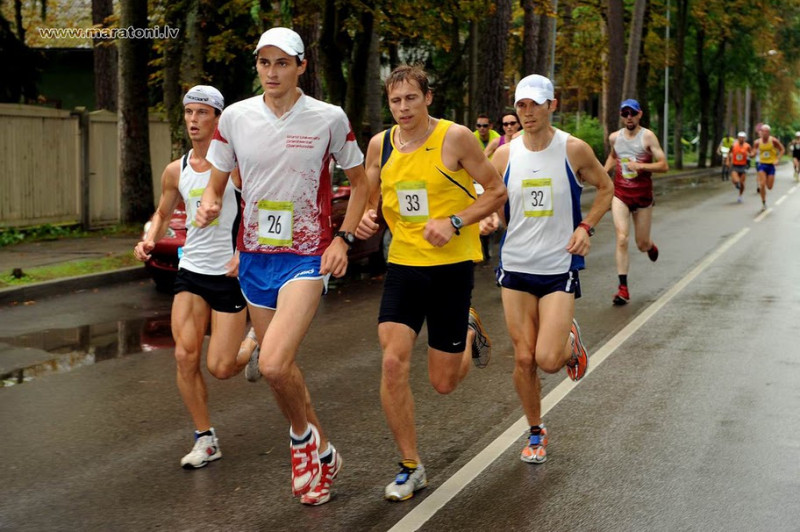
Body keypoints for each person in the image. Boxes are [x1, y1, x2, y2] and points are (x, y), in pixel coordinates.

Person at [196, 27, 369, 506]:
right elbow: (218, 180)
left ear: (300, 66)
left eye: (281, 63)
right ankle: (323, 449)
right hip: (254, 257)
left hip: (306, 255)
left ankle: (300, 444)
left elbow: (360, 180)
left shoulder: (327, 117)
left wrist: (345, 237)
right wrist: (210, 203)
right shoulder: (235, 116)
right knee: (282, 370)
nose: (271, 72)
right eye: (263, 63)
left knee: (271, 362)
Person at [357, 65, 506, 502]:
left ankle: (468, 328)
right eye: (395, 101)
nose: (403, 108)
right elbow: (375, 202)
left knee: (443, 382)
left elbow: (496, 191)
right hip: (403, 264)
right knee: (391, 362)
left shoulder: (456, 138)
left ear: (428, 98)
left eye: (410, 99)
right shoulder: (380, 145)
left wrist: (456, 220)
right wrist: (368, 219)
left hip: (450, 267)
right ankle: (410, 466)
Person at [488, 74, 612, 464]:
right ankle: (536, 431)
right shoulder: (504, 155)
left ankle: (568, 344)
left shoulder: (572, 149)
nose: (527, 113)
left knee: (548, 360)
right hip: (517, 267)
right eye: (521, 105)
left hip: (559, 267)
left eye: (535, 105)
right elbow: (488, 198)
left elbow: (606, 189)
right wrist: (488, 218)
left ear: (551, 105)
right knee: (523, 358)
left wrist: (585, 226)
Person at [134, 85, 258, 469]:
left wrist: (244, 253)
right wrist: (149, 239)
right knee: (185, 355)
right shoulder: (177, 170)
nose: (194, 120)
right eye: (189, 113)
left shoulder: (237, 169)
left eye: (202, 113)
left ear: (218, 120)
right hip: (191, 272)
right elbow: (162, 211)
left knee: (221, 367)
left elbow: (258, 212)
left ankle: (254, 343)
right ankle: (205, 438)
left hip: (228, 276)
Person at [604, 99, 668, 306]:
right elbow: (614, 157)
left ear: (640, 114)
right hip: (620, 194)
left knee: (641, 244)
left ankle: (649, 246)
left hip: (642, 197)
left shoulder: (647, 137)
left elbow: (664, 165)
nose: (629, 117)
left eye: (632, 113)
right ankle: (623, 288)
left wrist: (642, 166)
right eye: (625, 114)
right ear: (621, 116)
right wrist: (602, 175)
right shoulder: (615, 138)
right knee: (622, 238)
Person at [750, 124, 785, 210]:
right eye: (762, 131)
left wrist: (777, 159)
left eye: (765, 131)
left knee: (769, 186)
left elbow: (782, 149)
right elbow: (753, 152)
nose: (763, 133)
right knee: (762, 184)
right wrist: (752, 154)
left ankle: (766, 180)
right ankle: (763, 202)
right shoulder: (757, 142)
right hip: (762, 164)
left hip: (771, 165)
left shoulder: (773, 141)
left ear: (768, 132)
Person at [729, 131, 751, 203]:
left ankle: (740, 195)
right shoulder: (734, 145)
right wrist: (728, 159)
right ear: (738, 138)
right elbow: (729, 152)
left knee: (742, 183)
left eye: (743, 138)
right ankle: (737, 183)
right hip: (735, 164)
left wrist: (750, 155)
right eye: (740, 138)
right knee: (735, 180)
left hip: (743, 165)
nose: (741, 139)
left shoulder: (747, 146)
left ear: (745, 138)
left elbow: (751, 154)